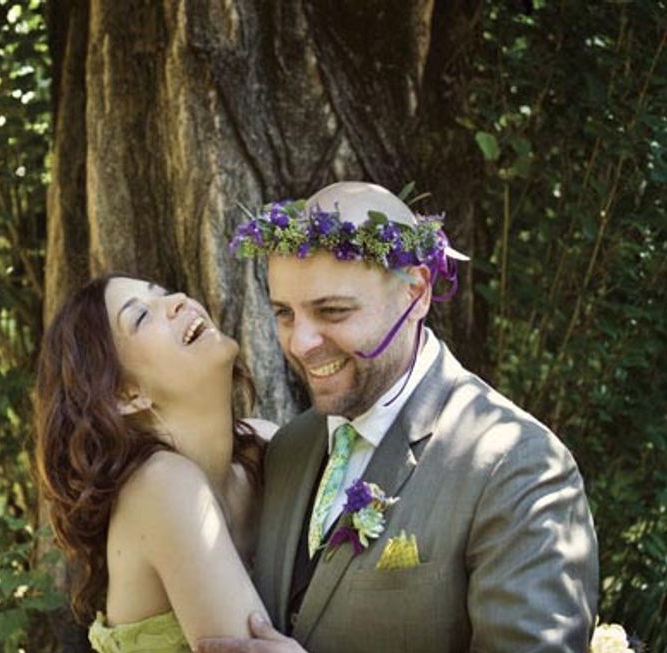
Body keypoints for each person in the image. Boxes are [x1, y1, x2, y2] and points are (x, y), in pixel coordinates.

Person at [198, 181, 599, 653]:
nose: (301, 343)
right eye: (285, 313)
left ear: (418, 293)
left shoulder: (518, 467)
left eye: (333, 311)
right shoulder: (290, 447)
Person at [33, 273, 277, 652]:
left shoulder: (265, 445)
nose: (179, 298)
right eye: (141, 317)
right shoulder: (161, 486)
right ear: (125, 394)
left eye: (163, 292)